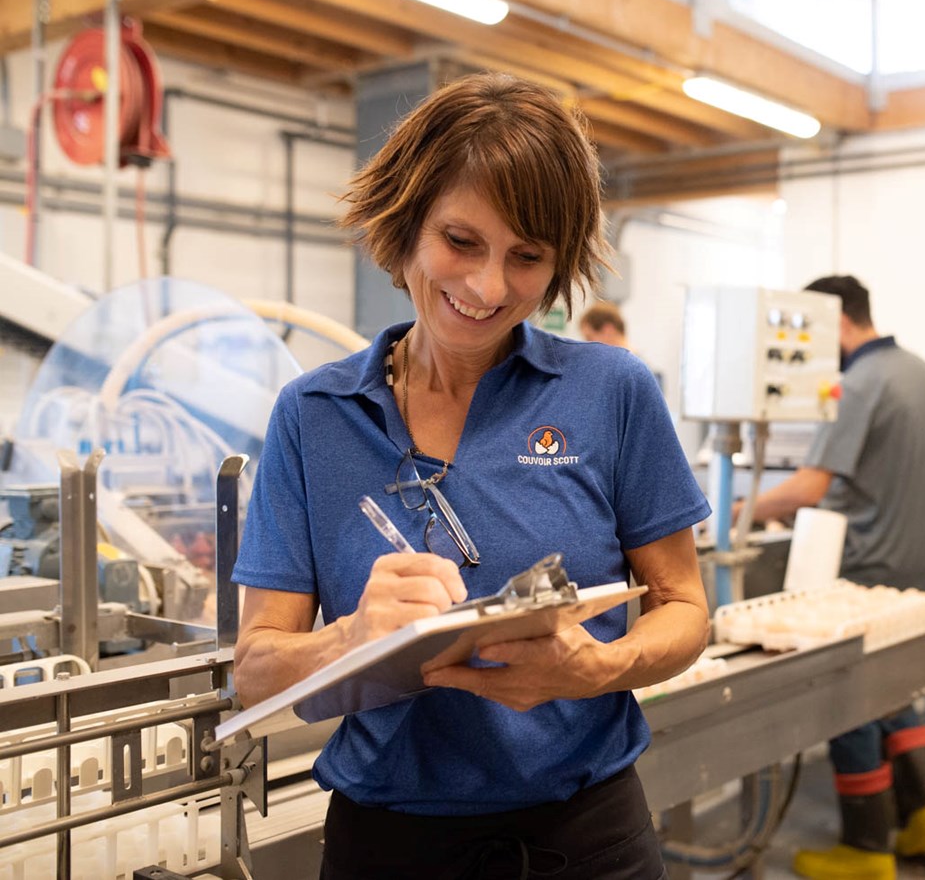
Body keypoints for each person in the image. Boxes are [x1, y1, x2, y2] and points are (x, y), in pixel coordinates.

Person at [230, 72, 711, 880]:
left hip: (585, 839)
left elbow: (686, 609)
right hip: (388, 845)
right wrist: (352, 638)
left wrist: (592, 668)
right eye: (460, 242)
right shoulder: (313, 416)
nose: (488, 287)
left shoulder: (610, 392)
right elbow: (256, 676)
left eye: (526, 258)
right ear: (407, 223)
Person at [735, 274, 925, 880]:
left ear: (836, 321)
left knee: (850, 701)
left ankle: (865, 849)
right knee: (896, 692)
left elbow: (812, 484)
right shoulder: (921, 372)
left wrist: (736, 509)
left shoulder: (856, 383)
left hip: (864, 568)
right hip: (921, 568)